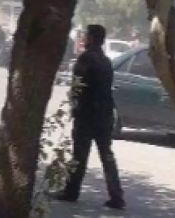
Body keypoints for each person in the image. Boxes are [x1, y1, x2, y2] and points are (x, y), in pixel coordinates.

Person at [56, 24, 125, 210]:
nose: (82, 39)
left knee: (79, 155)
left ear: (92, 39)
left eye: (85, 36)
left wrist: (74, 108)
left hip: (87, 115)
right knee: (107, 155)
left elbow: (77, 88)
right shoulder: (105, 60)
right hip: (105, 114)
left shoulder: (86, 59)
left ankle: (71, 191)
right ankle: (117, 196)